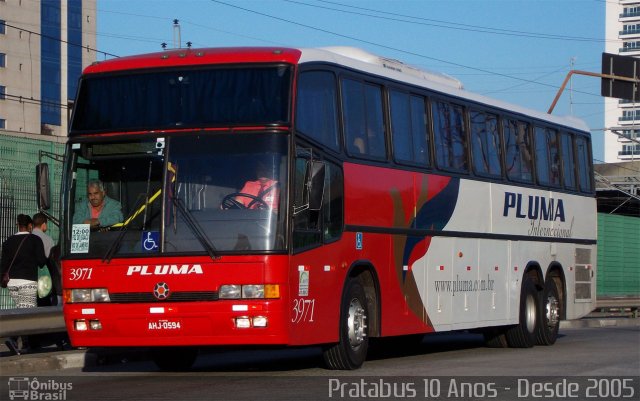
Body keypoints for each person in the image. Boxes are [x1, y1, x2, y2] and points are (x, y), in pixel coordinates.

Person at [1, 214, 47, 308]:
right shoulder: (35, 240)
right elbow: (41, 262)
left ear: (18, 225)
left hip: (11, 282)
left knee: (21, 310)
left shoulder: (8, 241)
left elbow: (3, 264)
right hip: (27, 281)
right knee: (27, 313)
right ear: (30, 225)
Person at [32, 213, 60, 306]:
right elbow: (50, 259)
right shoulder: (48, 239)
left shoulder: (27, 237)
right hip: (44, 278)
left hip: (29, 276)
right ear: (44, 224)